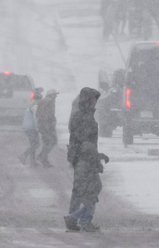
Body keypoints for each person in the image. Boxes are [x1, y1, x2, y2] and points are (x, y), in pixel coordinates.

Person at [65, 86, 107, 232]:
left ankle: (74, 218)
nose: (95, 103)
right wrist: (95, 158)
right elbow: (84, 141)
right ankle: (79, 219)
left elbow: (87, 142)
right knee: (92, 189)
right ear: (86, 100)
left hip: (85, 157)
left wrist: (96, 156)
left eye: (96, 100)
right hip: (84, 158)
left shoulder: (85, 114)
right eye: (93, 100)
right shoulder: (81, 116)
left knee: (83, 190)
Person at [19, 87, 43, 165]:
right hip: (31, 127)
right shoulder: (35, 106)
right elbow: (36, 117)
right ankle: (24, 155)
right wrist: (37, 127)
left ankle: (32, 161)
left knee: (33, 143)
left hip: (28, 127)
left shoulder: (30, 104)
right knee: (36, 144)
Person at [36, 88, 59, 166]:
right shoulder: (50, 102)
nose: (56, 96)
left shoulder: (42, 101)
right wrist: (49, 125)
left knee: (46, 142)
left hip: (41, 124)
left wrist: (41, 123)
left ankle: (44, 161)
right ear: (51, 95)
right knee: (53, 141)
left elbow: (38, 113)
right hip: (47, 125)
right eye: (55, 94)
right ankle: (42, 156)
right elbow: (48, 114)